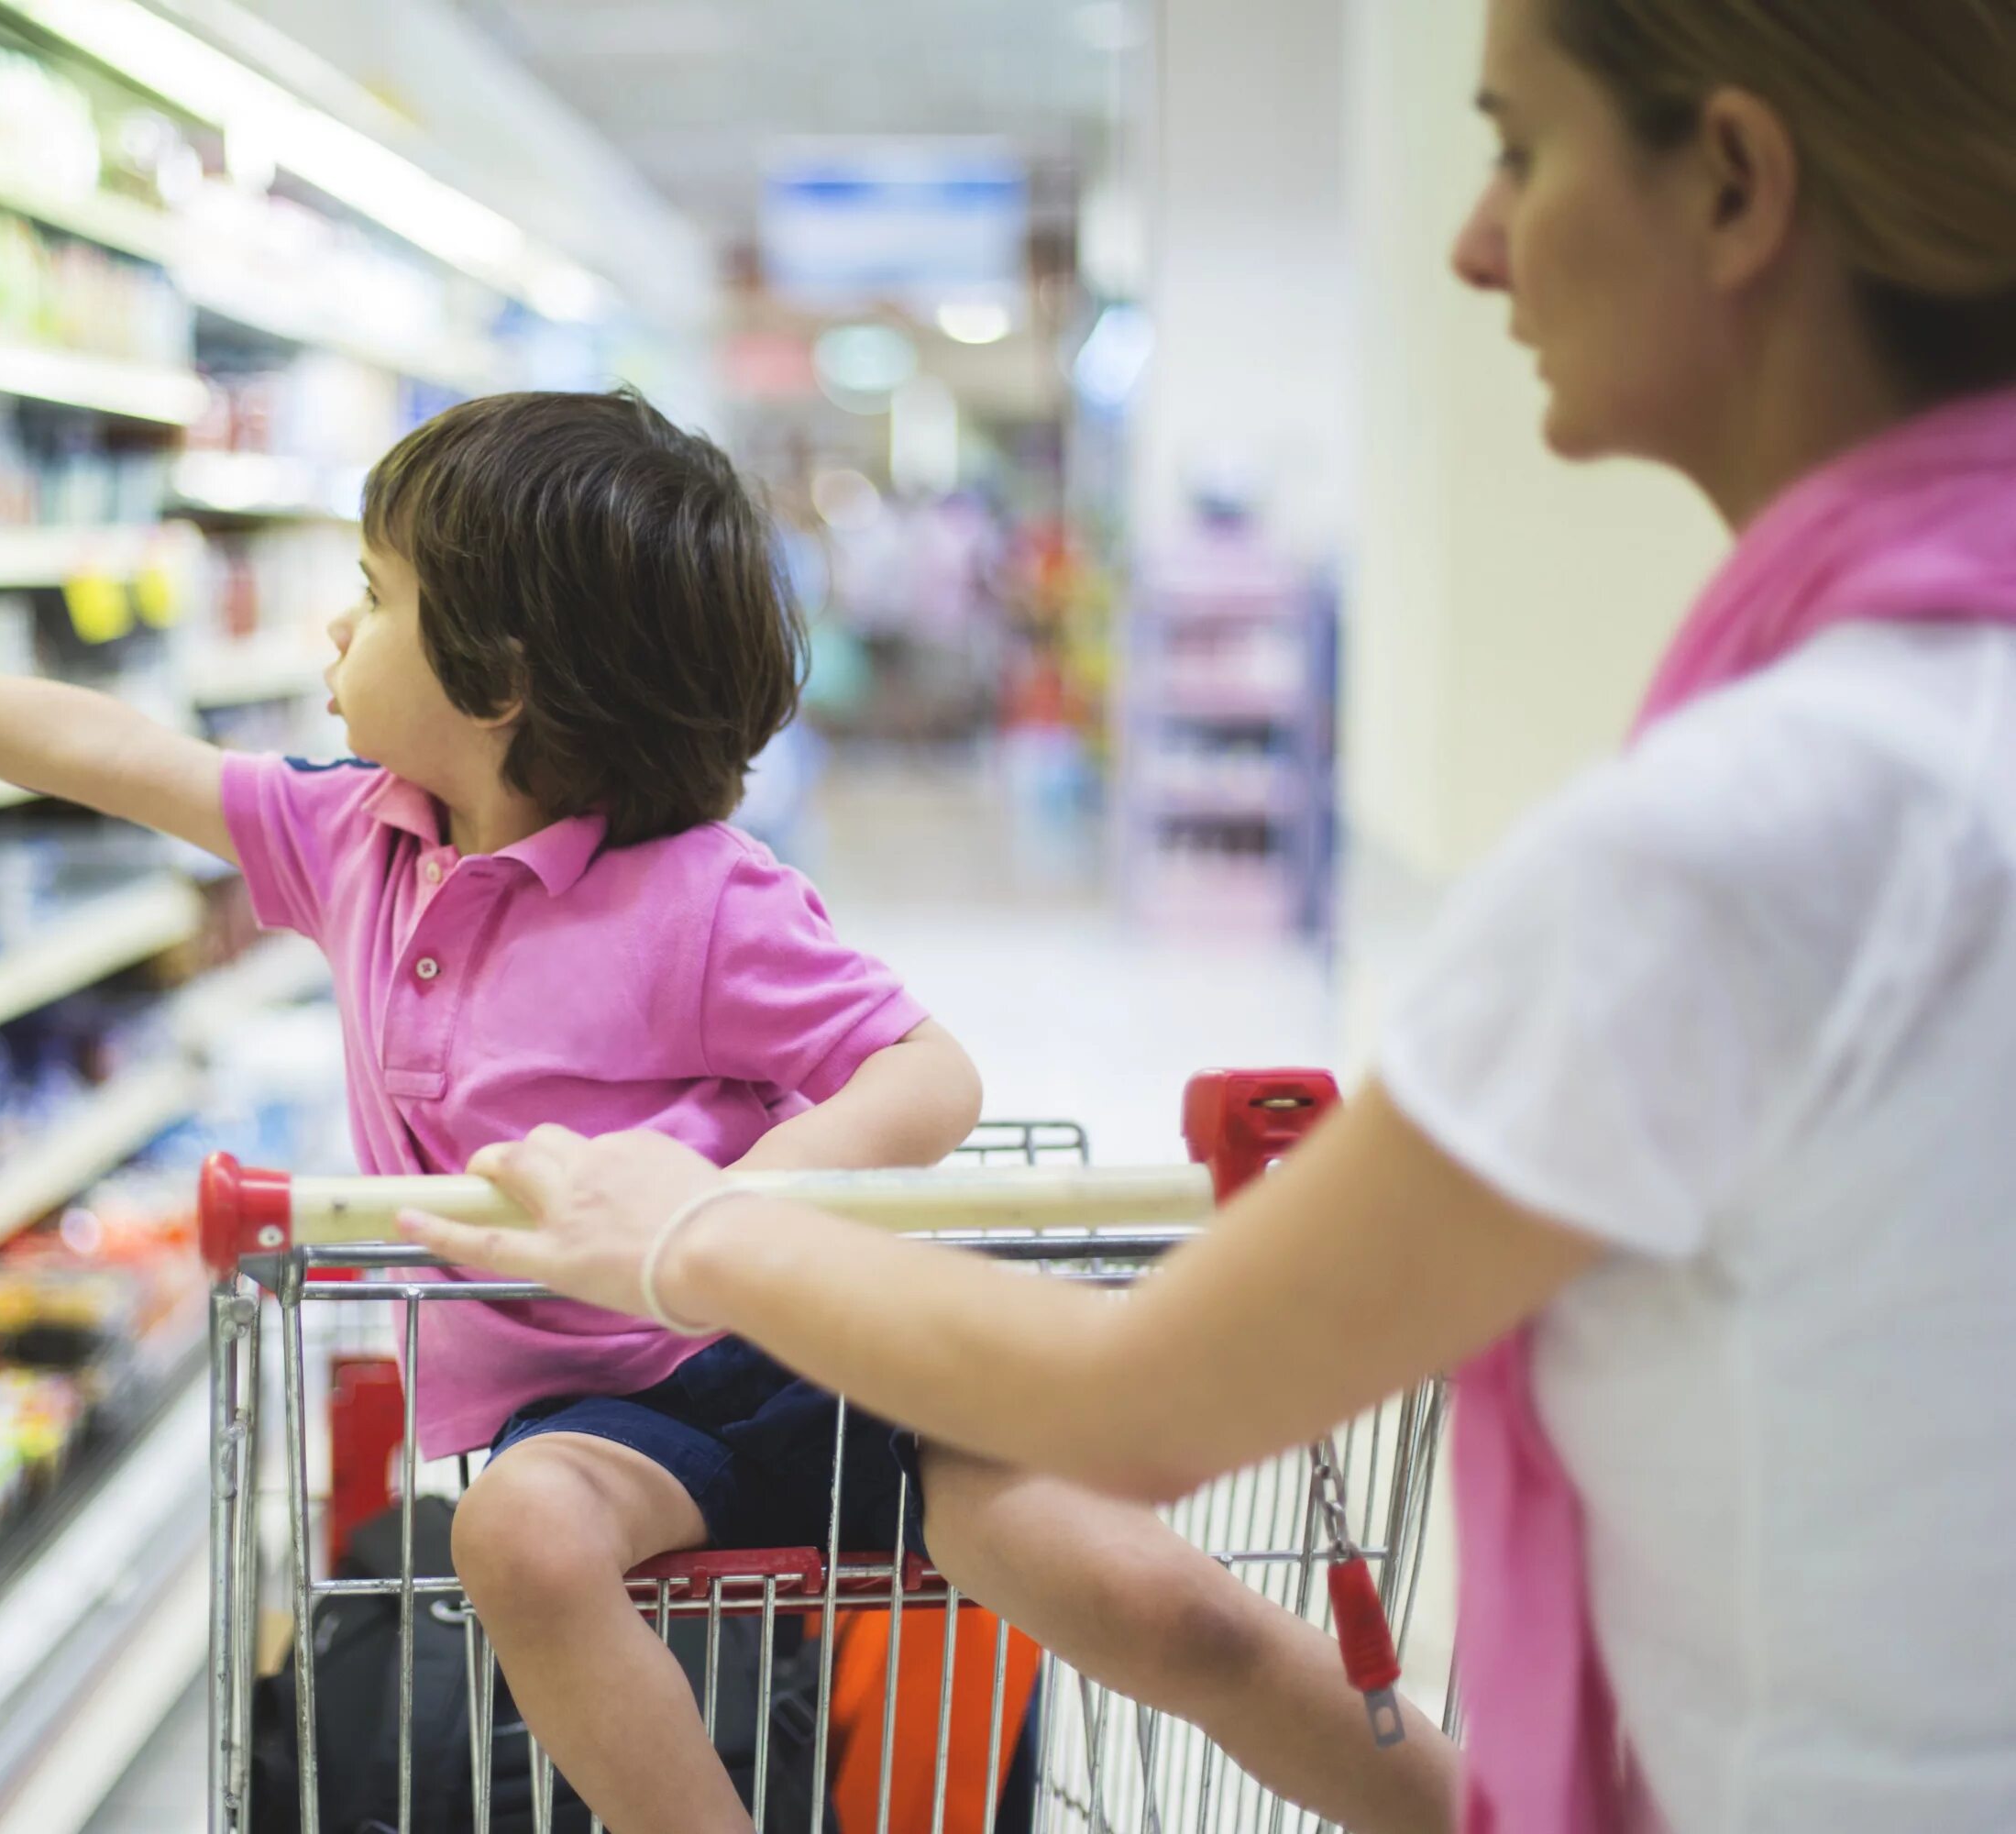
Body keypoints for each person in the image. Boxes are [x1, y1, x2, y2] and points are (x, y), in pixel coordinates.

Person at [402, 4, 2016, 1830]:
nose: (1476, 240)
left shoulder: (1732, 837)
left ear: (1730, 181)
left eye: (1518, 148)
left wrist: (692, 1229)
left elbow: (1147, 1398)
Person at [0, 389, 1456, 1834]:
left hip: (837, 1355)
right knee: (513, 1532)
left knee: (1162, 1607)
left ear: (502, 674)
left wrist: (720, 1229)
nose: (333, 626)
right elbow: (104, 749)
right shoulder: (344, 842)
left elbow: (929, 1079)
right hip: (611, 1426)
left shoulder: (698, 894)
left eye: (372, 595)